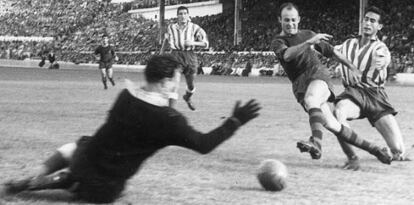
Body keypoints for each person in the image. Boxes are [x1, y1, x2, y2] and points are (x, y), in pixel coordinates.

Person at [3, 54, 261, 204]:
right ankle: (51, 186)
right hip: (105, 185)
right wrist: (234, 122)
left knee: (75, 146)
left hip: (86, 156)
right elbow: (203, 144)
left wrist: (168, 98)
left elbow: (153, 112)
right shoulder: (170, 121)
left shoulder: (125, 96)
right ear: (165, 81)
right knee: (80, 193)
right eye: (177, 79)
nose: (179, 84)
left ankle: (40, 176)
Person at [271, 2, 392, 164]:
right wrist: (309, 43)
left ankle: (317, 144)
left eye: (293, 20)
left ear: (299, 19)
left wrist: (351, 67)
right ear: (280, 20)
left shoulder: (308, 34)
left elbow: (333, 52)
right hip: (300, 85)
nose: (290, 24)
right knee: (332, 125)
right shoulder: (278, 42)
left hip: (317, 75)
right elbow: (287, 56)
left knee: (311, 99)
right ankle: (376, 149)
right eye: (287, 20)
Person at [333, 6, 410, 170]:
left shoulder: (381, 48)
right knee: (339, 112)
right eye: (366, 19)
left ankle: (389, 150)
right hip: (353, 94)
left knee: (398, 151)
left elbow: (384, 58)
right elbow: (329, 51)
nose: (368, 23)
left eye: (372, 21)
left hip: (376, 97)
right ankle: (352, 157)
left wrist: (381, 62)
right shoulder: (347, 45)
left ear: (379, 27)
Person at [163, 6, 209, 110]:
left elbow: (206, 44)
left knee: (191, 85)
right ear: (177, 16)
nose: (183, 16)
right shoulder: (171, 27)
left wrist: (193, 42)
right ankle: (171, 114)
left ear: (188, 15)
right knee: (174, 85)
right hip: (176, 55)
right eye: (180, 14)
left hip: (190, 56)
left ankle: (187, 98)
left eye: (184, 13)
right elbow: (166, 40)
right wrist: (160, 55)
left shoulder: (195, 28)